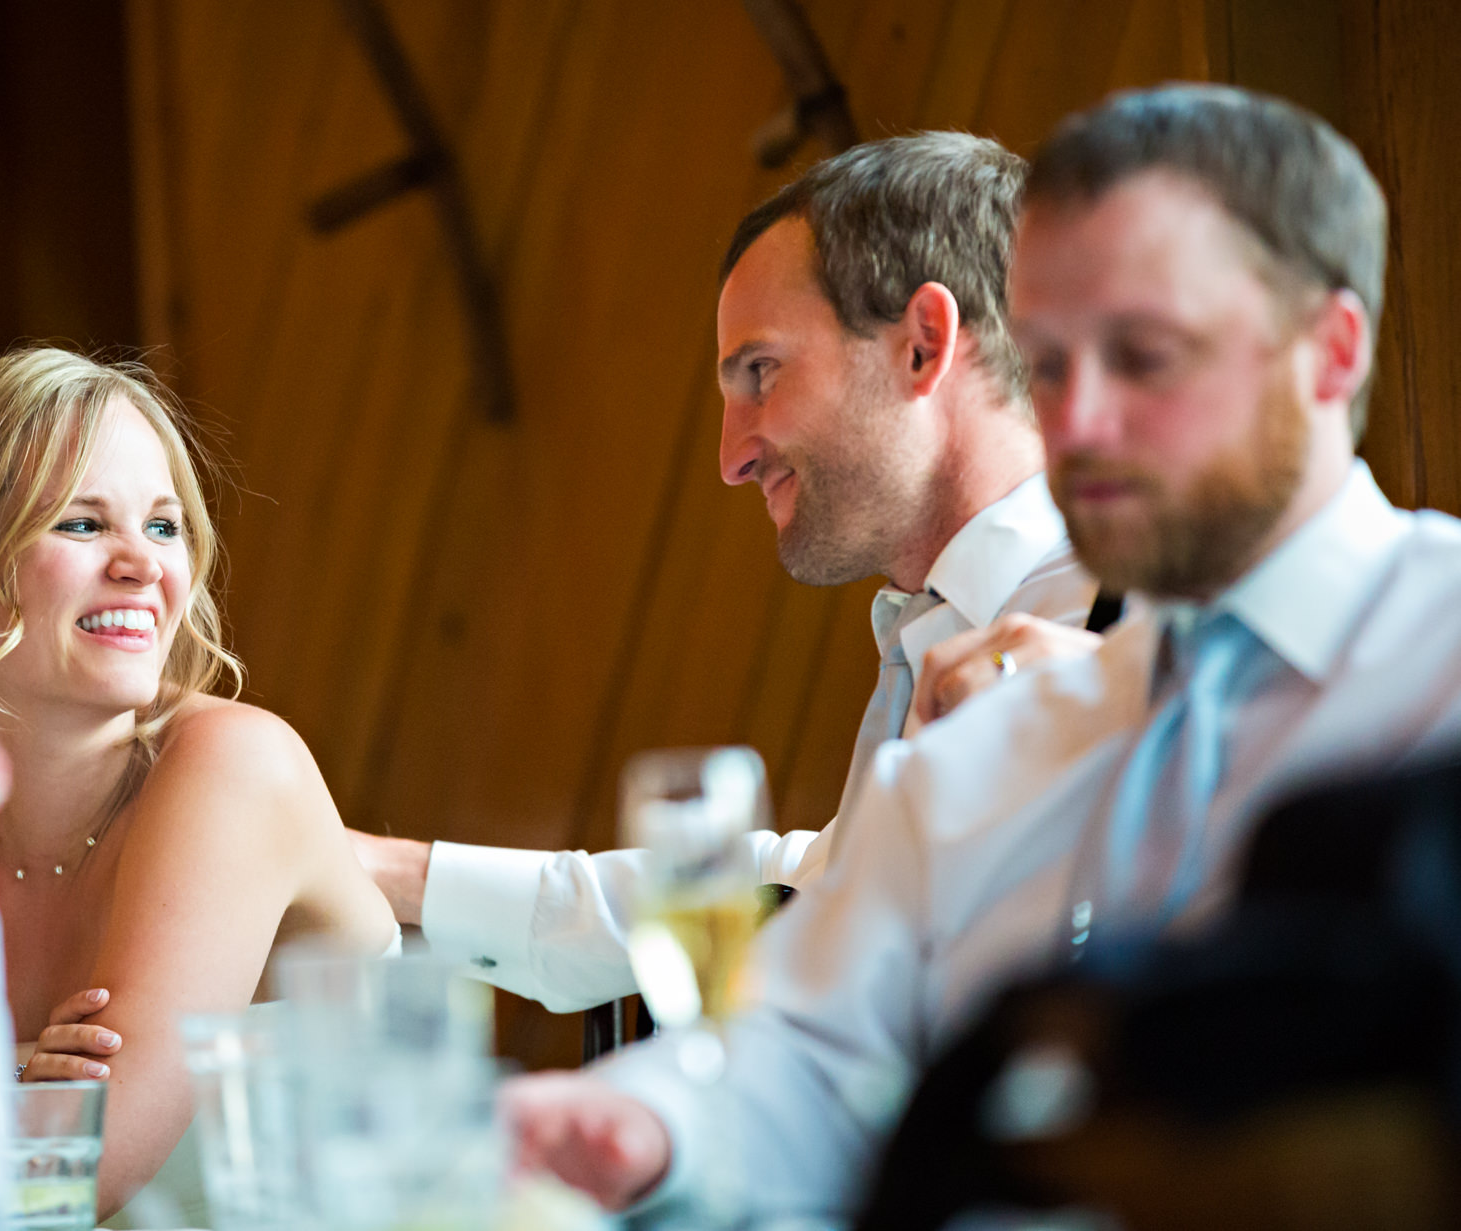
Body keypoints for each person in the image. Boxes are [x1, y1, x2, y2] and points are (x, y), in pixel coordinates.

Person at [503, 83, 1461, 1224]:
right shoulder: (993, 736)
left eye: (1142, 355)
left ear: (1328, 354)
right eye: (1049, 367)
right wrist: (644, 1129)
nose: (1080, 424)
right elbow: (801, 1055)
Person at [353, 132, 1101, 1012]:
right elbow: (808, 880)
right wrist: (388, 872)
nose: (729, 457)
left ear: (922, 345)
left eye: (761, 373)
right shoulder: (932, 625)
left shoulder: (1140, 632)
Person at [0, 347, 398, 1219]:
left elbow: (75, 1174)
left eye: (163, 525)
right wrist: (12, 1084)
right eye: (81, 524)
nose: (143, 564)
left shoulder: (233, 767)